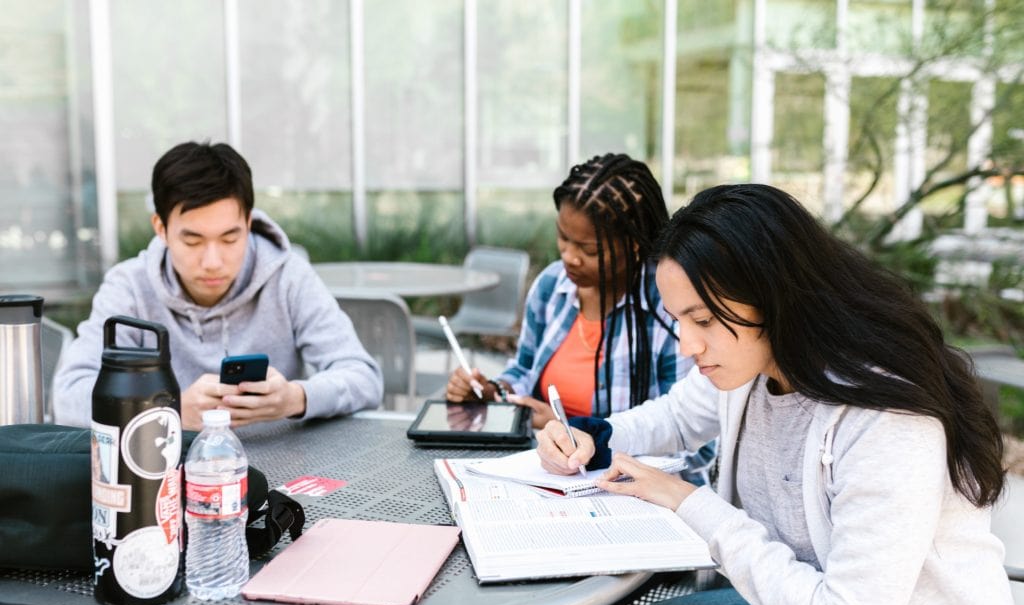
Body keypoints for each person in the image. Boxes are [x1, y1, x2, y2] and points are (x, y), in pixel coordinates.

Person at [532, 183, 1024, 605]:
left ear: (772, 297)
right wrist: (594, 435)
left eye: (701, 319)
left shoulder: (884, 419)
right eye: (678, 319)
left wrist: (690, 503)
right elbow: (676, 417)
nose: (686, 345)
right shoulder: (755, 364)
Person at [54, 141, 382, 431]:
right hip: (165, 476)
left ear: (249, 223)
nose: (213, 261)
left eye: (230, 238)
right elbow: (68, 396)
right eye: (193, 240)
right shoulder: (129, 288)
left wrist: (296, 398)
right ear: (161, 228)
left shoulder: (288, 277)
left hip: (282, 470)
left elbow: (364, 377)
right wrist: (168, 411)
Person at [446, 152, 714, 478]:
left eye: (588, 250)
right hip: (547, 472)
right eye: (563, 238)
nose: (569, 258)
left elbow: (694, 442)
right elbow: (524, 371)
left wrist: (576, 432)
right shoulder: (551, 287)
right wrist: (493, 392)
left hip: (634, 490)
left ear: (632, 244)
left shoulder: (668, 306)